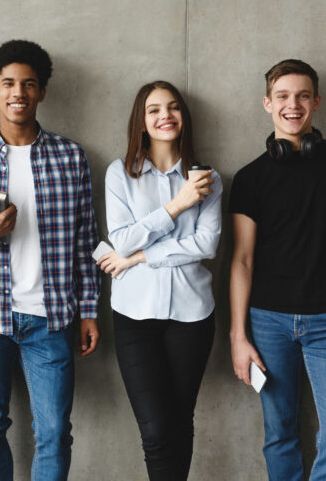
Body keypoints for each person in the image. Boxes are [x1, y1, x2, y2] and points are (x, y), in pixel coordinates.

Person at [0, 39, 100, 481]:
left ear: (42, 92)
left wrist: (89, 312)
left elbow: (86, 241)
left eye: (29, 84)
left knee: (54, 431)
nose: (19, 92)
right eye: (9, 84)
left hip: (51, 318)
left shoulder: (70, 158)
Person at [229, 59, 326, 480]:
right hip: (267, 324)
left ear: (316, 102)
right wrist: (238, 335)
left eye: (301, 96)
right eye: (282, 96)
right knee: (279, 432)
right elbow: (242, 260)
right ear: (267, 103)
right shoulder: (249, 178)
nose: (292, 105)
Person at [96, 81, 221, 480]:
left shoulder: (209, 178)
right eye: (154, 110)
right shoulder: (120, 173)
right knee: (155, 428)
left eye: (173, 108)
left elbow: (206, 245)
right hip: (134, 315)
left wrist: (139, 257)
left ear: (184, 117)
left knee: (180, 419)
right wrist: (178, 204)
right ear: (142, 121)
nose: (165, 116)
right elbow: (121, 238)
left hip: (193, 315)